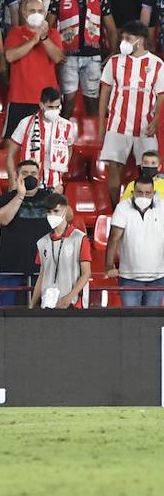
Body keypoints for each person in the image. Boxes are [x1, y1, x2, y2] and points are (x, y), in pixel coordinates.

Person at [98, 21, 164, 206]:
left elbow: (161, 95)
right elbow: (104, 93)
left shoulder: (157, 64)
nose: (123, 42)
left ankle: (145, 208)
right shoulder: (114, 61)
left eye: (128, 38)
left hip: (145, 127)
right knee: (113, 168)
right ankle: (116, 208)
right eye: (122, 38)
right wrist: (102, 125)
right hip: (118, 124)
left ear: (140, 40)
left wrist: (156, 119)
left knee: (149, 172)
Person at [50, 0, 114, 117]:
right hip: (68, 57)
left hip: (92, 57)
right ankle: (62, 137)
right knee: (68, 100)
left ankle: (93, 140)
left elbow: (111, 29)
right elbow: (49, 28)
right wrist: (55, 52)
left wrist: (112, 52)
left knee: (92, 100)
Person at [0, 159, 54, 306]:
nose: (29, 176)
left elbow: (68, 216)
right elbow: (2, 219)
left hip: (42, 268)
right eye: (24, 173)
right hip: (11, 267)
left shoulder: (49, 198)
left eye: (33, 173)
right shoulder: (7, 198)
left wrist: (57, 196)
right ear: (17, 177)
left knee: (42, 314)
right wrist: (20, 196)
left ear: (39, 177)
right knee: (8, 313)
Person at [4, 0, 64, 132]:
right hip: (19, 98)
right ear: (25, 14)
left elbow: (58, 58)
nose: (36, 14)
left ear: (44, 14)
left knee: (47, 140)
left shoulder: (53, 34)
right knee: (12, 142)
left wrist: (43, 38)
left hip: (47, 101)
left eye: (39, 11)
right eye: (32, 11)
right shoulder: (15, 32)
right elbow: (9, 56)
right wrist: (33, 41)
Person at [106, 176, 164, 306]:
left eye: (148, 193)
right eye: (139, 192)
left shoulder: (162, 207)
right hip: (129, 278)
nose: (143, 196)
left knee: (151, 320)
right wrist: (109, 266)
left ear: (154, 193)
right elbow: (113, 238)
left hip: (158, 277)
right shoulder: (122, 208)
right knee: (130, 320)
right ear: (133, 193)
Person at [5, 88, 78, 188]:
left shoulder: (67, 126)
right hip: (29, 184)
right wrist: (12, 179)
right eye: (50, 107)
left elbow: (69, 148)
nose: (54, 110)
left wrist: (61, 170)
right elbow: (10, 154)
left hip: (54, 183)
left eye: (57, 107)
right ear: (41, 105)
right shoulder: (26, 123)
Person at [29, 193, 91, 309]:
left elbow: (86, 273)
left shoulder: (80, 238)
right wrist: (32, 304)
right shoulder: (42, 242)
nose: (52, 215)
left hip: (72, 304)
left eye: (56, 211)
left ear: (66, 210)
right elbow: (42, 275)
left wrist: (69, 297)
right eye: (49, 212)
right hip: (47, 304)